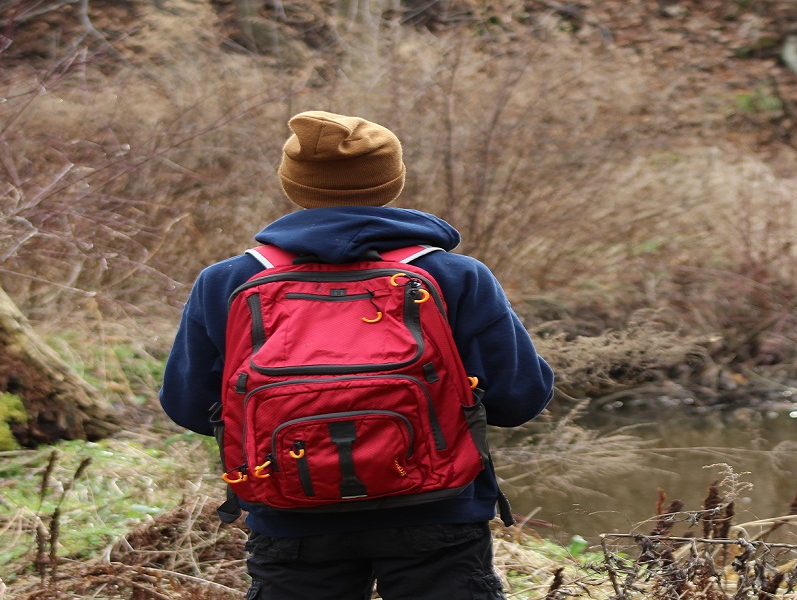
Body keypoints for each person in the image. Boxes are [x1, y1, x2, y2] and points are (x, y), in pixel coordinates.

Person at [159, 110, 555, 600]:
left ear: (292, 185)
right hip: (436, 509)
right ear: (392, 182)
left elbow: (187, 406)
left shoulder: (226, 281)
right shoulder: (456, 276)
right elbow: (521, 400)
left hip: (290, 514)